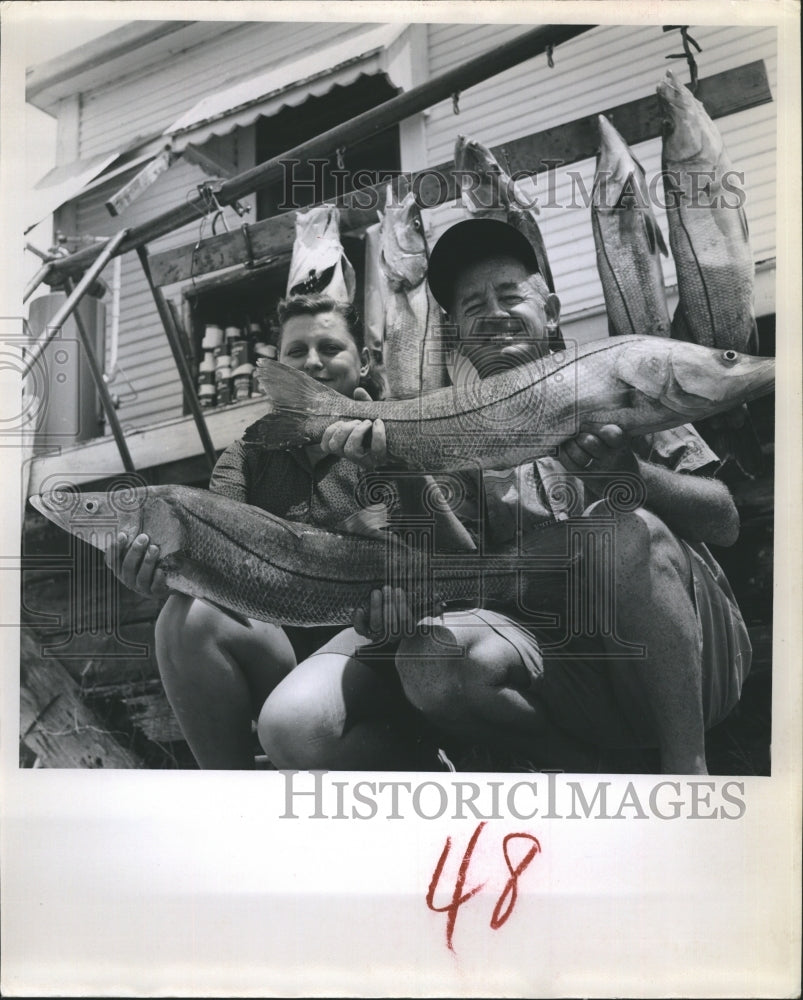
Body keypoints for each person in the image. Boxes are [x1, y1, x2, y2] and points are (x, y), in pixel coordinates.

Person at [261, 218, 752, 775]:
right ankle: (582, 772)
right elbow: (458, 573)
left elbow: (725, 522)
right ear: (459, 333)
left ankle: (687, 770)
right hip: (562, 677)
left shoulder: (621, 379)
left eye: (509, 295)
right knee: (428, 661)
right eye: (472, 306)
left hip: (690, 671)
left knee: (618, 532)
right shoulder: (456, 419)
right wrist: (394, 465)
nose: (491, 313)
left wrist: (631, 475)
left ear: (553, 310)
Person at [105, 293, 439, 770]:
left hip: (387, 657)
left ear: (364, 361)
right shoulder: (247, 454)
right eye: (296, 351)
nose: (313, 362)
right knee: (183, 620)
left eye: (329, 347)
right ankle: (235, 803)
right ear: (279, 366)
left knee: (301, 724)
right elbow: (210, 550)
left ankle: (424, 762)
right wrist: (161, 570)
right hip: (285, 660)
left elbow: (450, 549)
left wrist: (397, 468)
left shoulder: (397, 434)